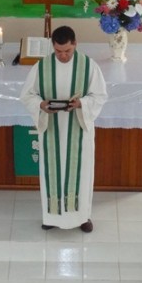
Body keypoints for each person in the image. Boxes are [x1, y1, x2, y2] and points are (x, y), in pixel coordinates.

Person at [20, 26, 108, 233]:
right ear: (53, 47)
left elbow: (100, 96)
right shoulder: (42, 67)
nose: (63, 55)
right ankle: (51, 216)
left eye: (67, 51)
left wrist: (82, 104)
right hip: (51, 129)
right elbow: (27, 95)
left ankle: (82, 216)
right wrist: (41, 105)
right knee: (53, 171)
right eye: (59, 51)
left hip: (79, 128)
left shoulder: (88, 66)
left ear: (75, 44)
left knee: (82, 172)